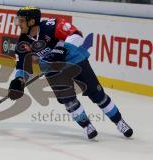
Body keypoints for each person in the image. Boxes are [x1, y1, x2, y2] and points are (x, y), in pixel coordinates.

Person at [8, 6, 133, 139]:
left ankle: (119, 122)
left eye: (21, 21)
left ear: (32, 21)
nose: (18, 24)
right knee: (68, 100)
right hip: (52, 69)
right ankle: (86, 126)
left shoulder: (53, 25)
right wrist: (19, 80)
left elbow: (76, 35)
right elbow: (22, 66)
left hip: (75, 60)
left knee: (97, 94)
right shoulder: (22, 43)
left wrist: (62, 49)